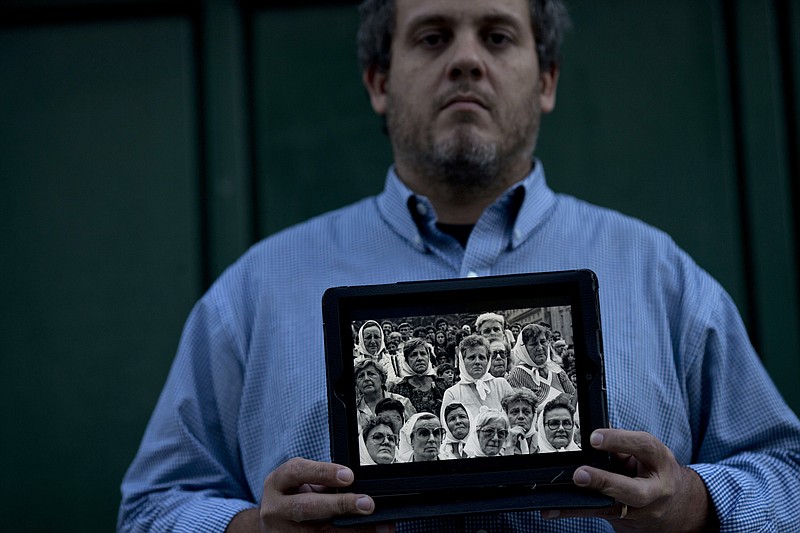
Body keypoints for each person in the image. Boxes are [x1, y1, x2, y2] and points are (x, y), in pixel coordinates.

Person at [118, 0, 800, 530]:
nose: (466, 60)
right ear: (379, 81)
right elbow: (149, 508)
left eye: (498, 36)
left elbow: (788, 473)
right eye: (432, 36)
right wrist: (250, 530)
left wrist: (692, 502)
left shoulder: (663, 276)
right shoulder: (252, 295)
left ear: (548, 79)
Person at [441, 334, 514, 420]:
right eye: (472, 358)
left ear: (488, 360)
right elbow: (447, 425)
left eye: (482, 357)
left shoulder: (501, 385)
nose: (477, 362)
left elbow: (514, 414)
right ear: (462, 361)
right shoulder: (452, 393)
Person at [508, 323, 575, 406]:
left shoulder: (556, 369)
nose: (540, 348)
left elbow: (573, 397)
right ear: (523, 349)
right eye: (533, 344)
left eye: (543, 342)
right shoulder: (517, 374)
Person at [354, 359, 416, 432]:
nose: (366, 379)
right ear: (357, 385)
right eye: (361, 376)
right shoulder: (354, 409)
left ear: (382, 379)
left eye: (371, 374)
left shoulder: (403, 402)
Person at [392, 337, 443, 415]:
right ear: (406, 360)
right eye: (413, 355)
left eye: (423, 354)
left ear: (428, 357)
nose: (419, 358)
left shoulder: (441, 384)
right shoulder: (398, 389)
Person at [501, 387, 539, 454]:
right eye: (515, 412)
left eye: (526, 411)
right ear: (506, 415)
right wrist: (509, 446)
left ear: (534, 415)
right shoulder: (497, 443)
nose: (521, 416)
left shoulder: (543, 441)